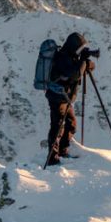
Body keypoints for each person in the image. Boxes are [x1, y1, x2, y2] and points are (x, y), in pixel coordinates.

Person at [45, 31, 95, 166]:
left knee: (71, 124)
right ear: (74, 46)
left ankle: (62, 150)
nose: (80, 51)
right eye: (79, 48)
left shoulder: (71, 57)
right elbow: (76, 74)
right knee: (57, 127)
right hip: (57, 97)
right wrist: (83, 61)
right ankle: (52, 158)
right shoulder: (63, 58)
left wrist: (86, 62)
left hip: (64, 98)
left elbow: (83, 68)